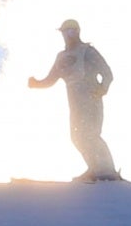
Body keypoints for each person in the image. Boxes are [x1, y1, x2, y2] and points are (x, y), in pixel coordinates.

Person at [27, 19, 120, 181]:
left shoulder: (87, 51)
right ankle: (94, 168)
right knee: (77, 136)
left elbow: (107, 71)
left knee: (91, 134)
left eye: (72, 31)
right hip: (75, 103)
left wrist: (102, 87)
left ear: (78, 32)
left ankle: (107, 171)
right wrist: (37, 84)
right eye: (65, 32)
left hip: (91, 97)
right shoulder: (62, 57)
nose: (68, 36)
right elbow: (51, 79)